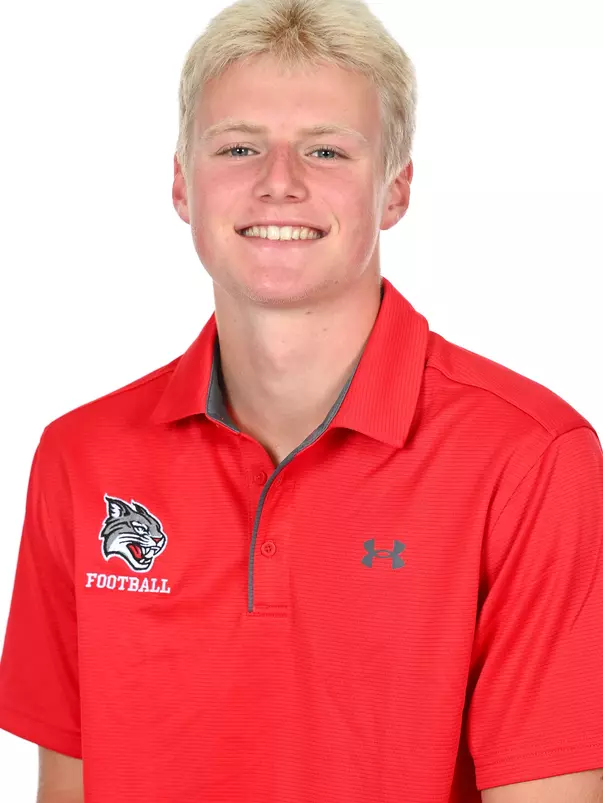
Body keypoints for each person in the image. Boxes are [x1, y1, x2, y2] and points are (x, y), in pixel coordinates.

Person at [1, 0, 602, 801]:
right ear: (182, 184)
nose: (278, 182)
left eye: (325, 150)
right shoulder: (81, 455)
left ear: (394, 191)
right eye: (239, 146)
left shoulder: (529, 459)